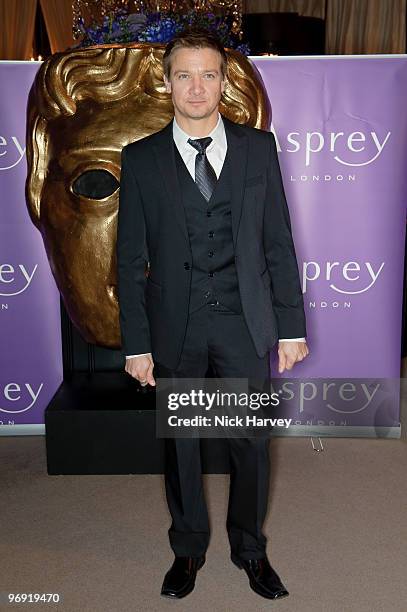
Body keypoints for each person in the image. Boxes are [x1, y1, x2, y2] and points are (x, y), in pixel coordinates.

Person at [117, 28, 309, 600]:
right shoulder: (142, 158)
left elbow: (278, 242)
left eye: (208, 74)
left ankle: (250, 549)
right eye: (184, 74)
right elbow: (129, 261)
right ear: (167, 81)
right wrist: (136, 343)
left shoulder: (257, 149)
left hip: (244, 322)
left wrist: (290, 326)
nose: (196, 87)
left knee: (250, 442)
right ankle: (188, 549)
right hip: (175, 325)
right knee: (181, 442)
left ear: (224, 82)